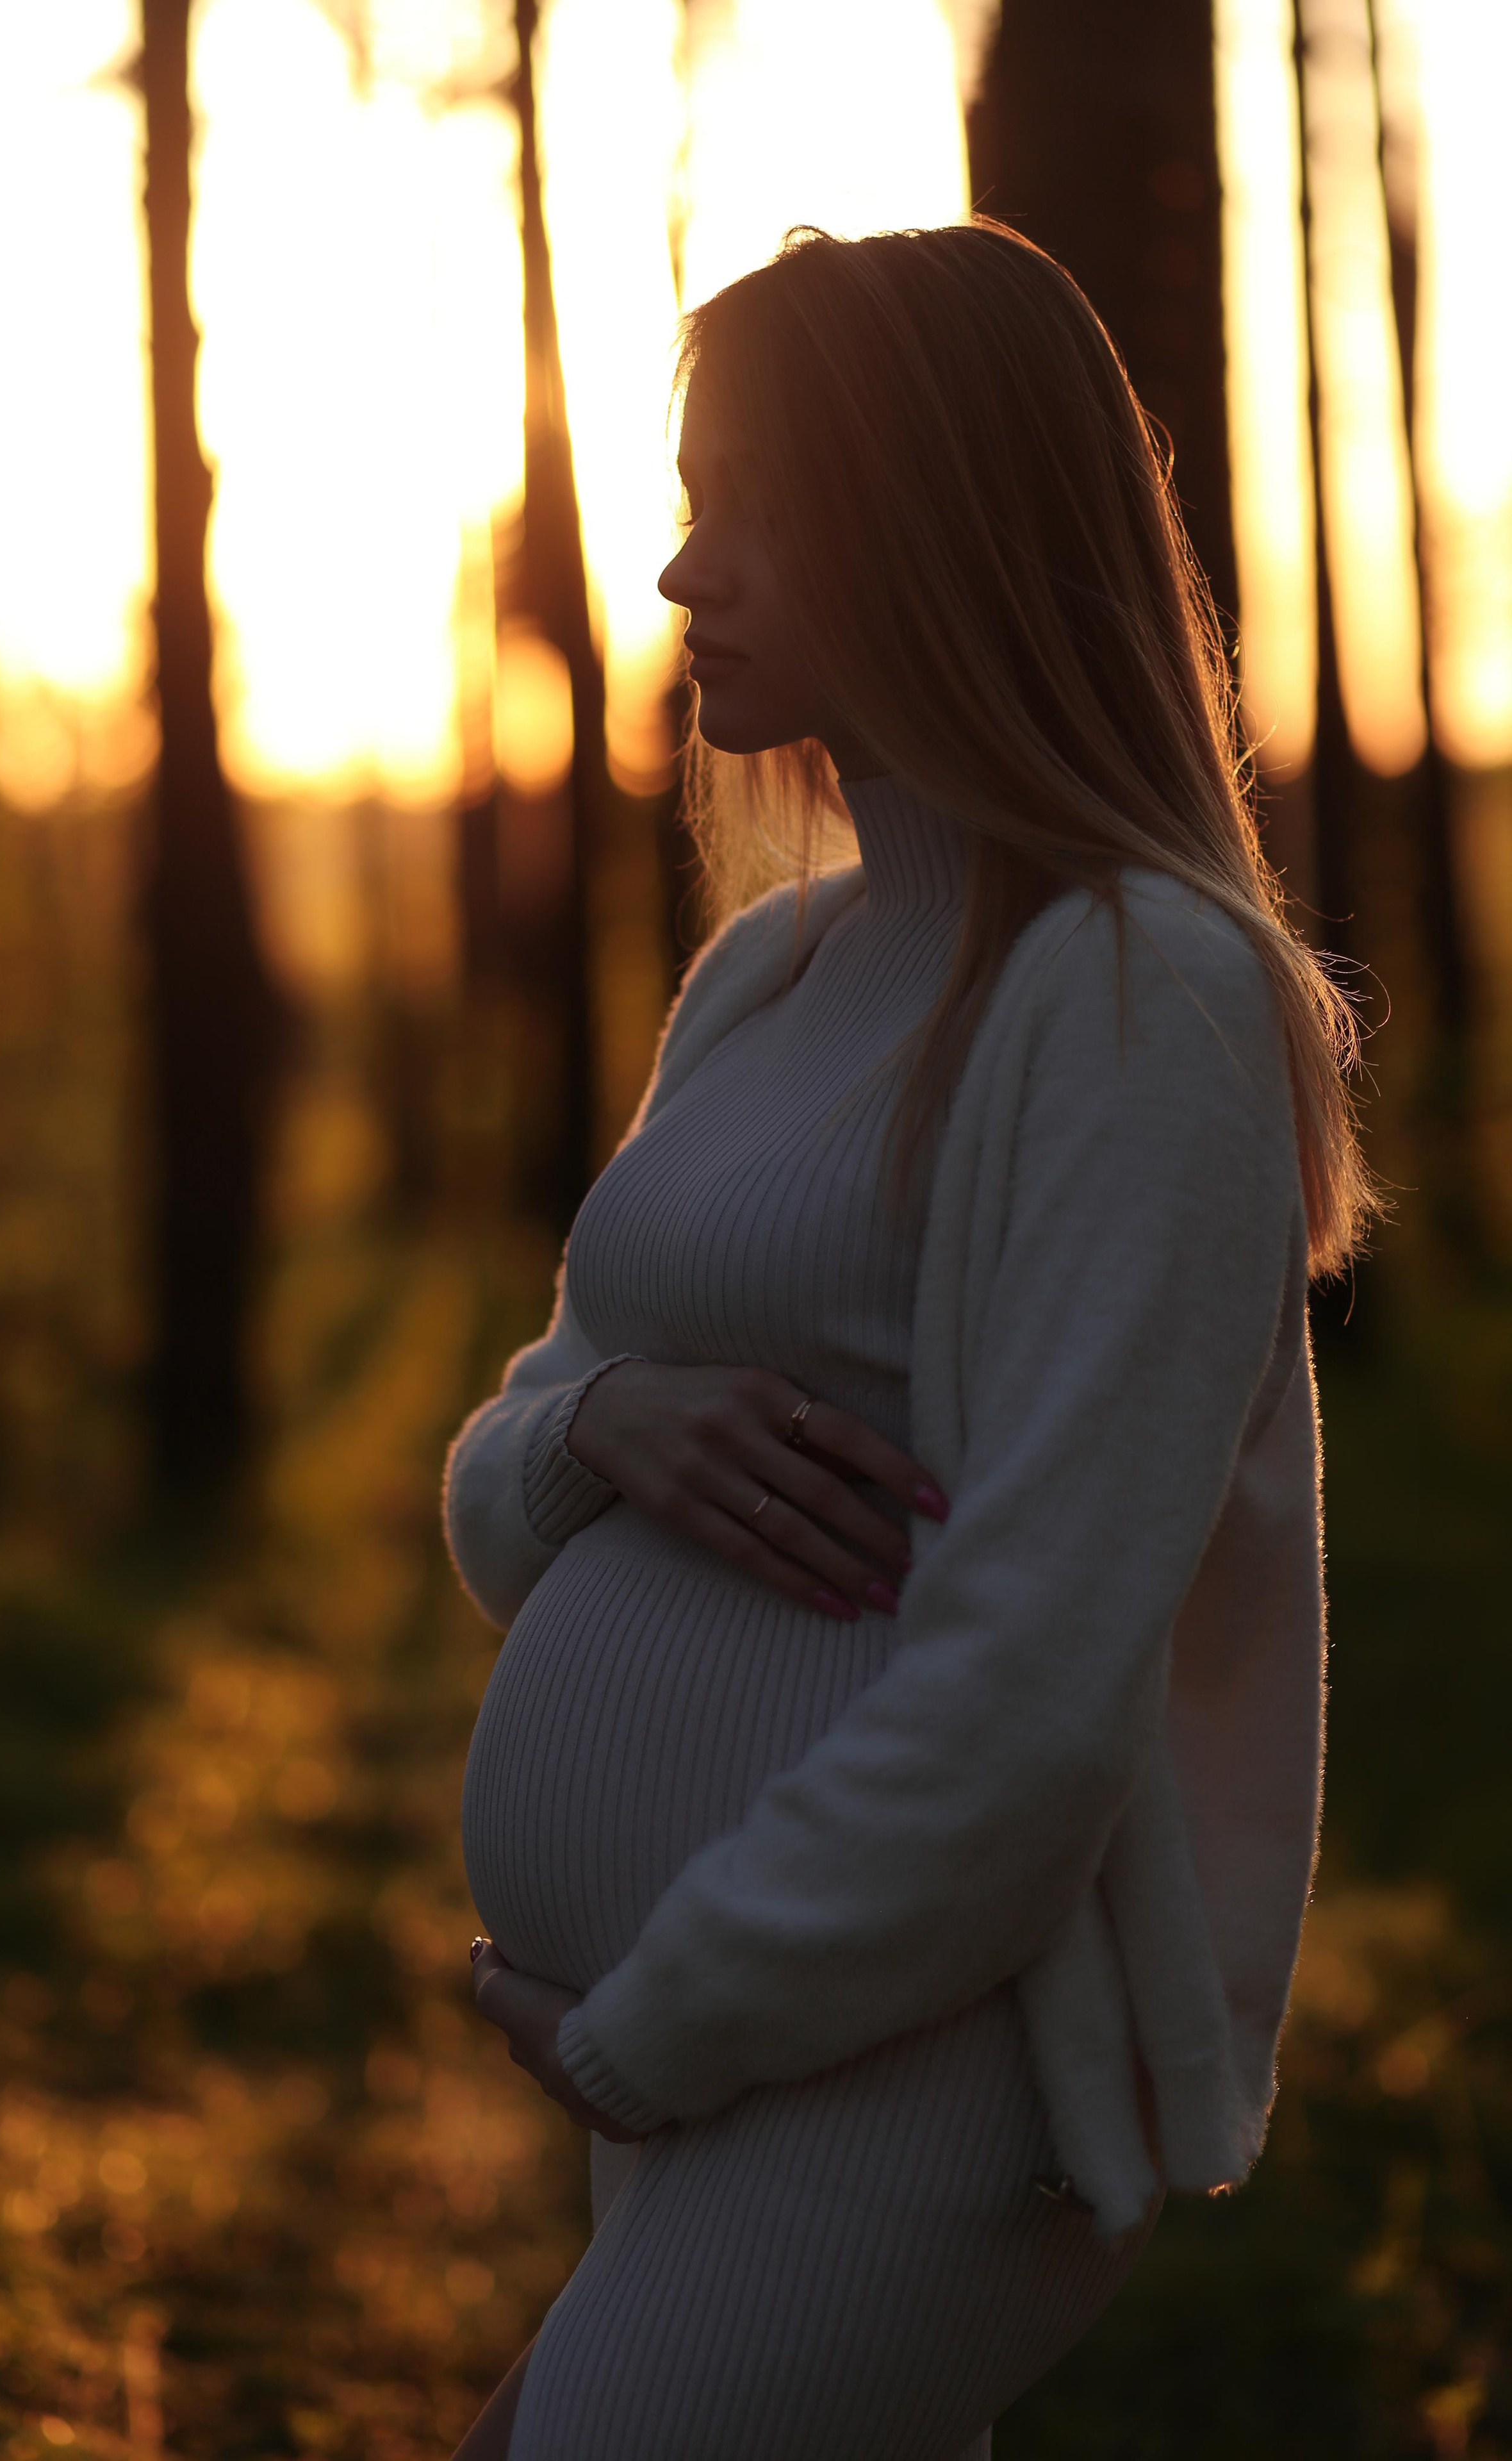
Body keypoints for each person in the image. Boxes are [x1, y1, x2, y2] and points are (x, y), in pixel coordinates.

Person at [440, 219, 1374, 2461]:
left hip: (919, 2070)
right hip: (723, 2043)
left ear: (936, 517)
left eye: (751, 502)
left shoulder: (1142, 995)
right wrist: (608, 1434)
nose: (683, 577)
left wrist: (662, 2028)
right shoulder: (774, 975)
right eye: (688, 501)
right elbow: (506, 1469)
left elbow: (1037, 1687)